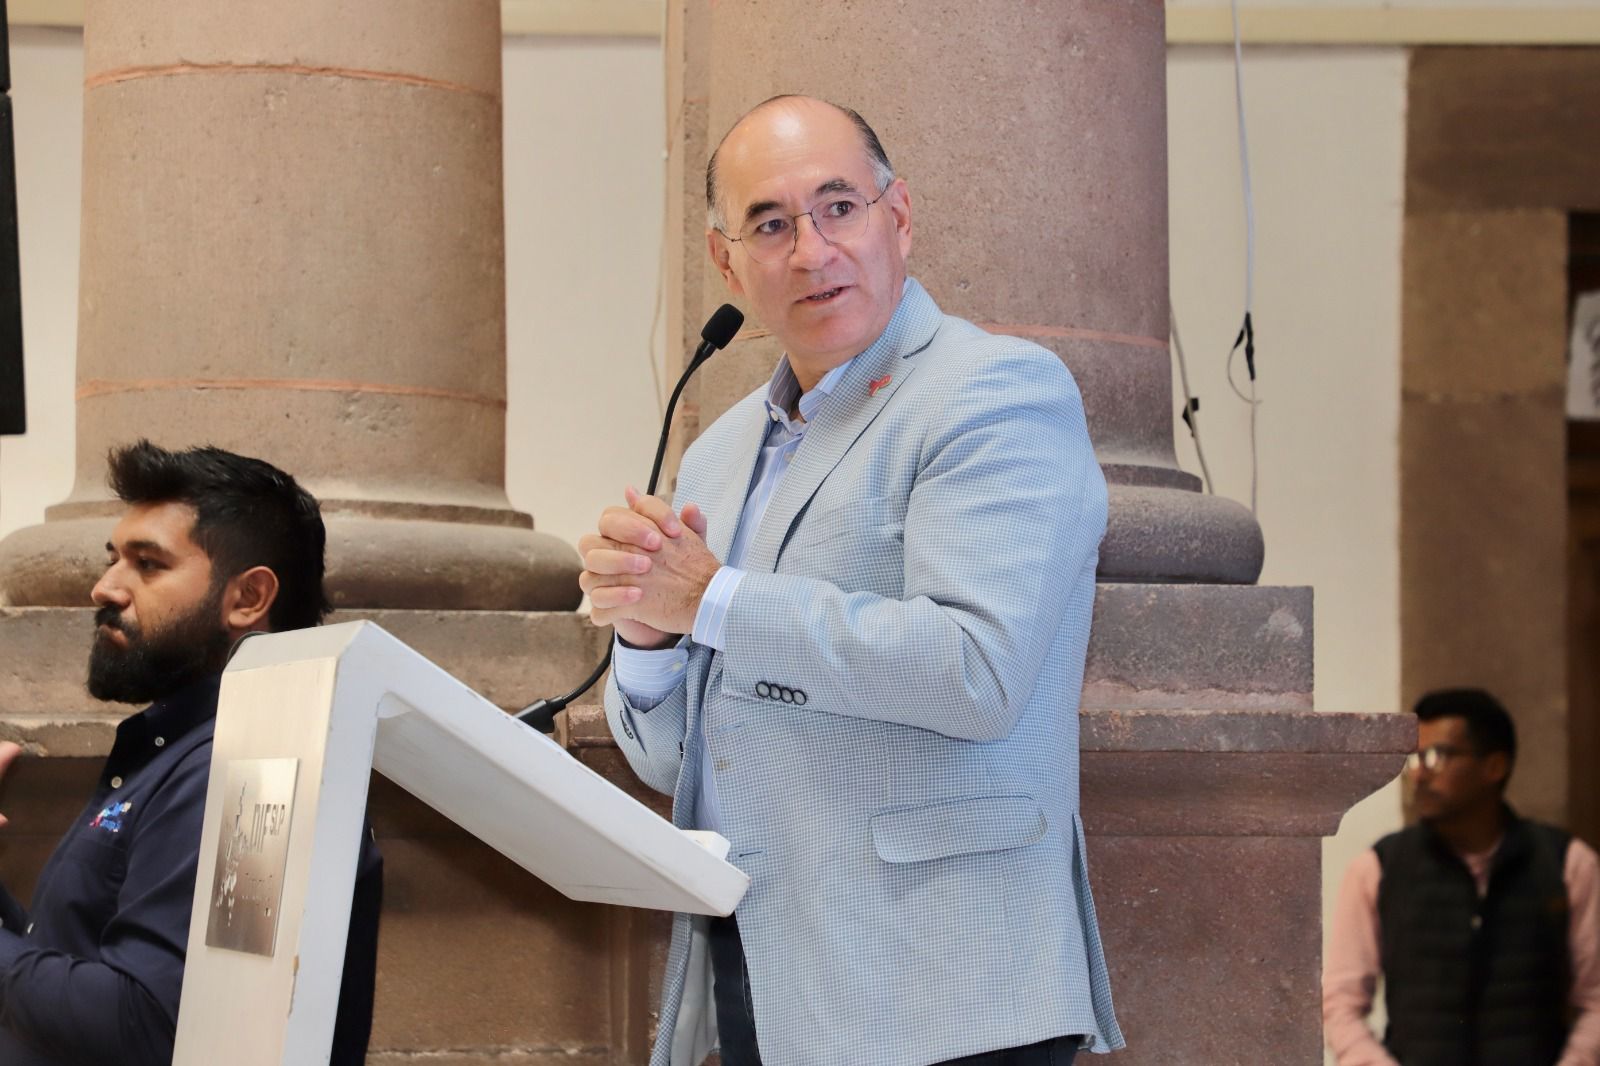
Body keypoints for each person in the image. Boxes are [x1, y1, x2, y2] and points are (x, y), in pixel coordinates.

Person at [578, 95, 1123, 1065]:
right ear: (725, 264)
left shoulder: (994, 390)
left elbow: (974, 669)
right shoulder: (718, 455)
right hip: (760, 960)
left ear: (898, 217)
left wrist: (708, 599)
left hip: (941, 980)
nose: (811, 250)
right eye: (769, 225)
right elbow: (678, 762)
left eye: (839, 208)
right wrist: (647, 635)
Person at [0, 441, 383, 1066]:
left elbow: (145, 1026)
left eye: (147, 564)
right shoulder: (180, 749)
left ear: (248, 598)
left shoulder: (250, 768)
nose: (104, 588)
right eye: (113, 560)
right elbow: (70, 960)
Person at [1323, 688, 1600, 1065]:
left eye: (1437, 756)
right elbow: (1340, 1002)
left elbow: (1595, 999)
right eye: (1414, 758)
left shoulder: (1567, 863)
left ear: (1494, 767)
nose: (1419, 773)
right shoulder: (1379, 867)